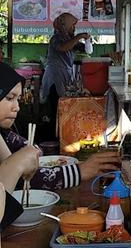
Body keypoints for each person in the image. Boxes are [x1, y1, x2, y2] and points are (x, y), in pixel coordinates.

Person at [0, 62, 121, 193]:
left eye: (18, 99)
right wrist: (80, 171)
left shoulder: (5, 134)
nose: (16, 107)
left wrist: (80, 166)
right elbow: (23, 179)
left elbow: (27, 157)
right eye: (9, 98)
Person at [40, 13, 90, 126]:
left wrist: (87, 43)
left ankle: (61, 134)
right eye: (72, 26)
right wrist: (79, 36)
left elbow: (82, 48)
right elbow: (63, 47)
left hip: (64, 76)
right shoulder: (56, 39)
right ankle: (53, 138)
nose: (74, 28)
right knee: (56, 109)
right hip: (54, 78)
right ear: (65, 26)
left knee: (63, 108)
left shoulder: (69, 39)